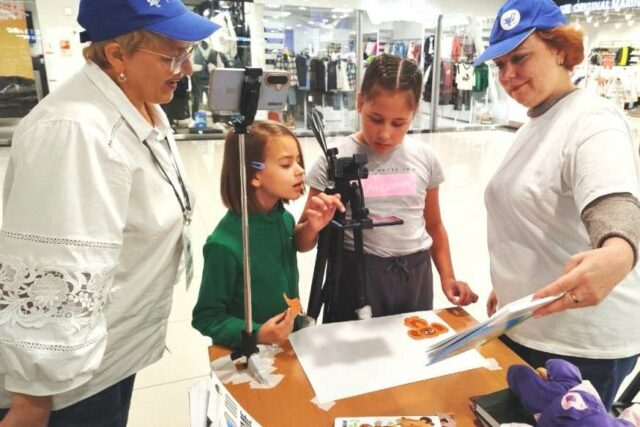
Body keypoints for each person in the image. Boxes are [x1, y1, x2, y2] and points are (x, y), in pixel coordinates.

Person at [0, 0, 219, 425]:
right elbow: (53, 273)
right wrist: (32, 399)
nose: (188, 68)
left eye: (188, 53)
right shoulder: (76, 132)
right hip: (68, 386)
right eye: (173, 55)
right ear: (117, 54)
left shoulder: (142, 108)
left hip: (110, 353)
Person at [476, 0, 640, 409]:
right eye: (499, 64)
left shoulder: (593, 119)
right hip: (528, 322)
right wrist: (509, 281)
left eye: (519, 58)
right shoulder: (538, 122)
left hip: (576, 344)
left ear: (561, 51)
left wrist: (619, 252)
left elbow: (613, 201)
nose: (507, 75)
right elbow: (536, 211)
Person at [295, 54, 478, 322]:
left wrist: (448, 277)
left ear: (414, 113)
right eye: (376, 119)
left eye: (399, 123)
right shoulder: (333, 160)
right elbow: (301, 242)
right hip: (355, 276)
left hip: (415, 276)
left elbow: (434, 225)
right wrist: (314, 226)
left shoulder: (425, 158)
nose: (385, 134)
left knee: (412, 343)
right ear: (359, 102)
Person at [192, 121, 344, 348]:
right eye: (286, 164)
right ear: (254, 174)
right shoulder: (224, 245)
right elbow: (206, 317)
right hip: (250, 352)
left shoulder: (283, 218)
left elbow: (295, 246)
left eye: (298, 161)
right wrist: (258, 333)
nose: (300, 170)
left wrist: (312, 227)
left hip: (286, 342)